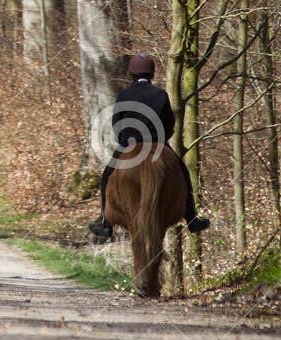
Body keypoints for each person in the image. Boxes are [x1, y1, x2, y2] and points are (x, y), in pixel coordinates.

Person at [89, 53, 210, 242]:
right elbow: (170, 123)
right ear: (151, 73)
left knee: (106, 175)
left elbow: (117, 123)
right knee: (183, 172)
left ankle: (105, 221)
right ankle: (192, 218)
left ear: (131, 73)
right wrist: (163, 138)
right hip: (157, 144)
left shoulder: (124, 94)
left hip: (130, 144)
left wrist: (124, 139)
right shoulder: (161, 94)